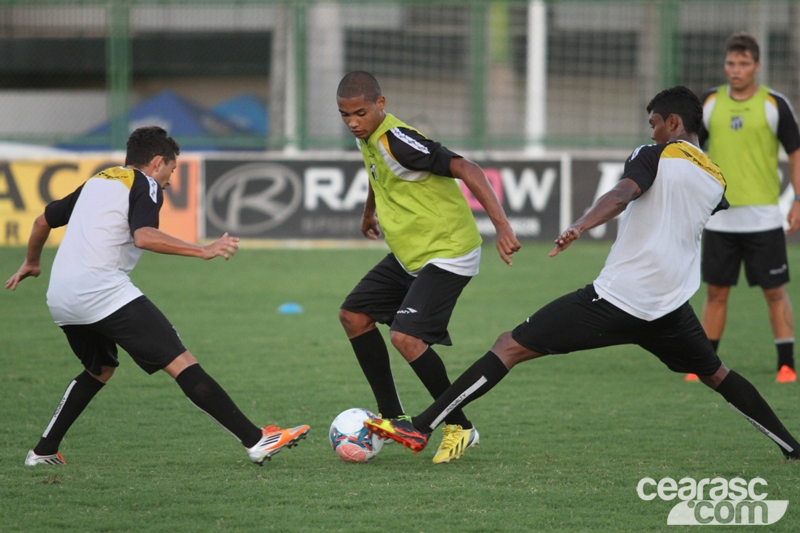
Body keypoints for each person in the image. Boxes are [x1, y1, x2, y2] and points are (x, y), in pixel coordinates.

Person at [364, 86, 800, 462]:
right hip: (668, 305)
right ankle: (791, 446)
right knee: (718, 375)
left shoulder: (654, 153)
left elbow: (623, 193)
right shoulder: (717, 179)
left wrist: (581, 225)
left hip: (615, 298)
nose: (649, 131)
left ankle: (421, 426)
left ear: (672, 122)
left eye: (653, 123)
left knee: (509, 346)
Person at [6, 126, 309, 466]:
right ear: (157, 162)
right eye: (172, 169)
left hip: (61, 298)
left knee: (100, 369)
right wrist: (203, 250)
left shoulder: (100, 180)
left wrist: (32, 262)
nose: (170, 179)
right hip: (101, 290)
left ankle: (43, 450)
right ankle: (257, 439)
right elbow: (145, 237)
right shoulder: (145, 184)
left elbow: (41, 221)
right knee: (182, 363)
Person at [336, 71, 521, 464]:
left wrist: (502, 226)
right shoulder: (369, 138)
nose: (353, 122)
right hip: (412, 254)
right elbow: (378, 174)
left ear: (381, 105)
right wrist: (369, 213)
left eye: (360, 112)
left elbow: (467, 168)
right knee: (353, 316)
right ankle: (392, 417)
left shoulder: (398, 140)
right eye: (345, 114)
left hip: (449, 253)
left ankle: (460, 427)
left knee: (406, 337)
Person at [692, 33, 800, 384]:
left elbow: (796, 154)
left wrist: (798, 199)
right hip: (720, 217)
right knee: (715, 292)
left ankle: (786, 363)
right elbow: (690, 150)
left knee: (774, 291)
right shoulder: (708, 103)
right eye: (730, 63)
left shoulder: (774, 104)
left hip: (764, 217)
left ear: (756, 66)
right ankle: (706, 364)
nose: (735, 70)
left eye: (742, 64)